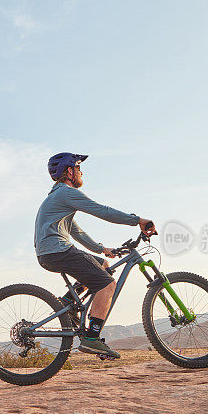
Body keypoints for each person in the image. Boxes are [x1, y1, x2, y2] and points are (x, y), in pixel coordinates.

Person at [34, 153, 155, 359]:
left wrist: (100, 249)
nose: (82, 172)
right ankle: (92, 337)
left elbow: (74, 229)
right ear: (70, 171)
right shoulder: (66, 193)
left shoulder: (57, 197)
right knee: (107, 284)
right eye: (79, 168)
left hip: (51, 252)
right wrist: (138, 220)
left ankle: (67, 304)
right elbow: (102, 211)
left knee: (104, 264)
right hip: (57, 250)